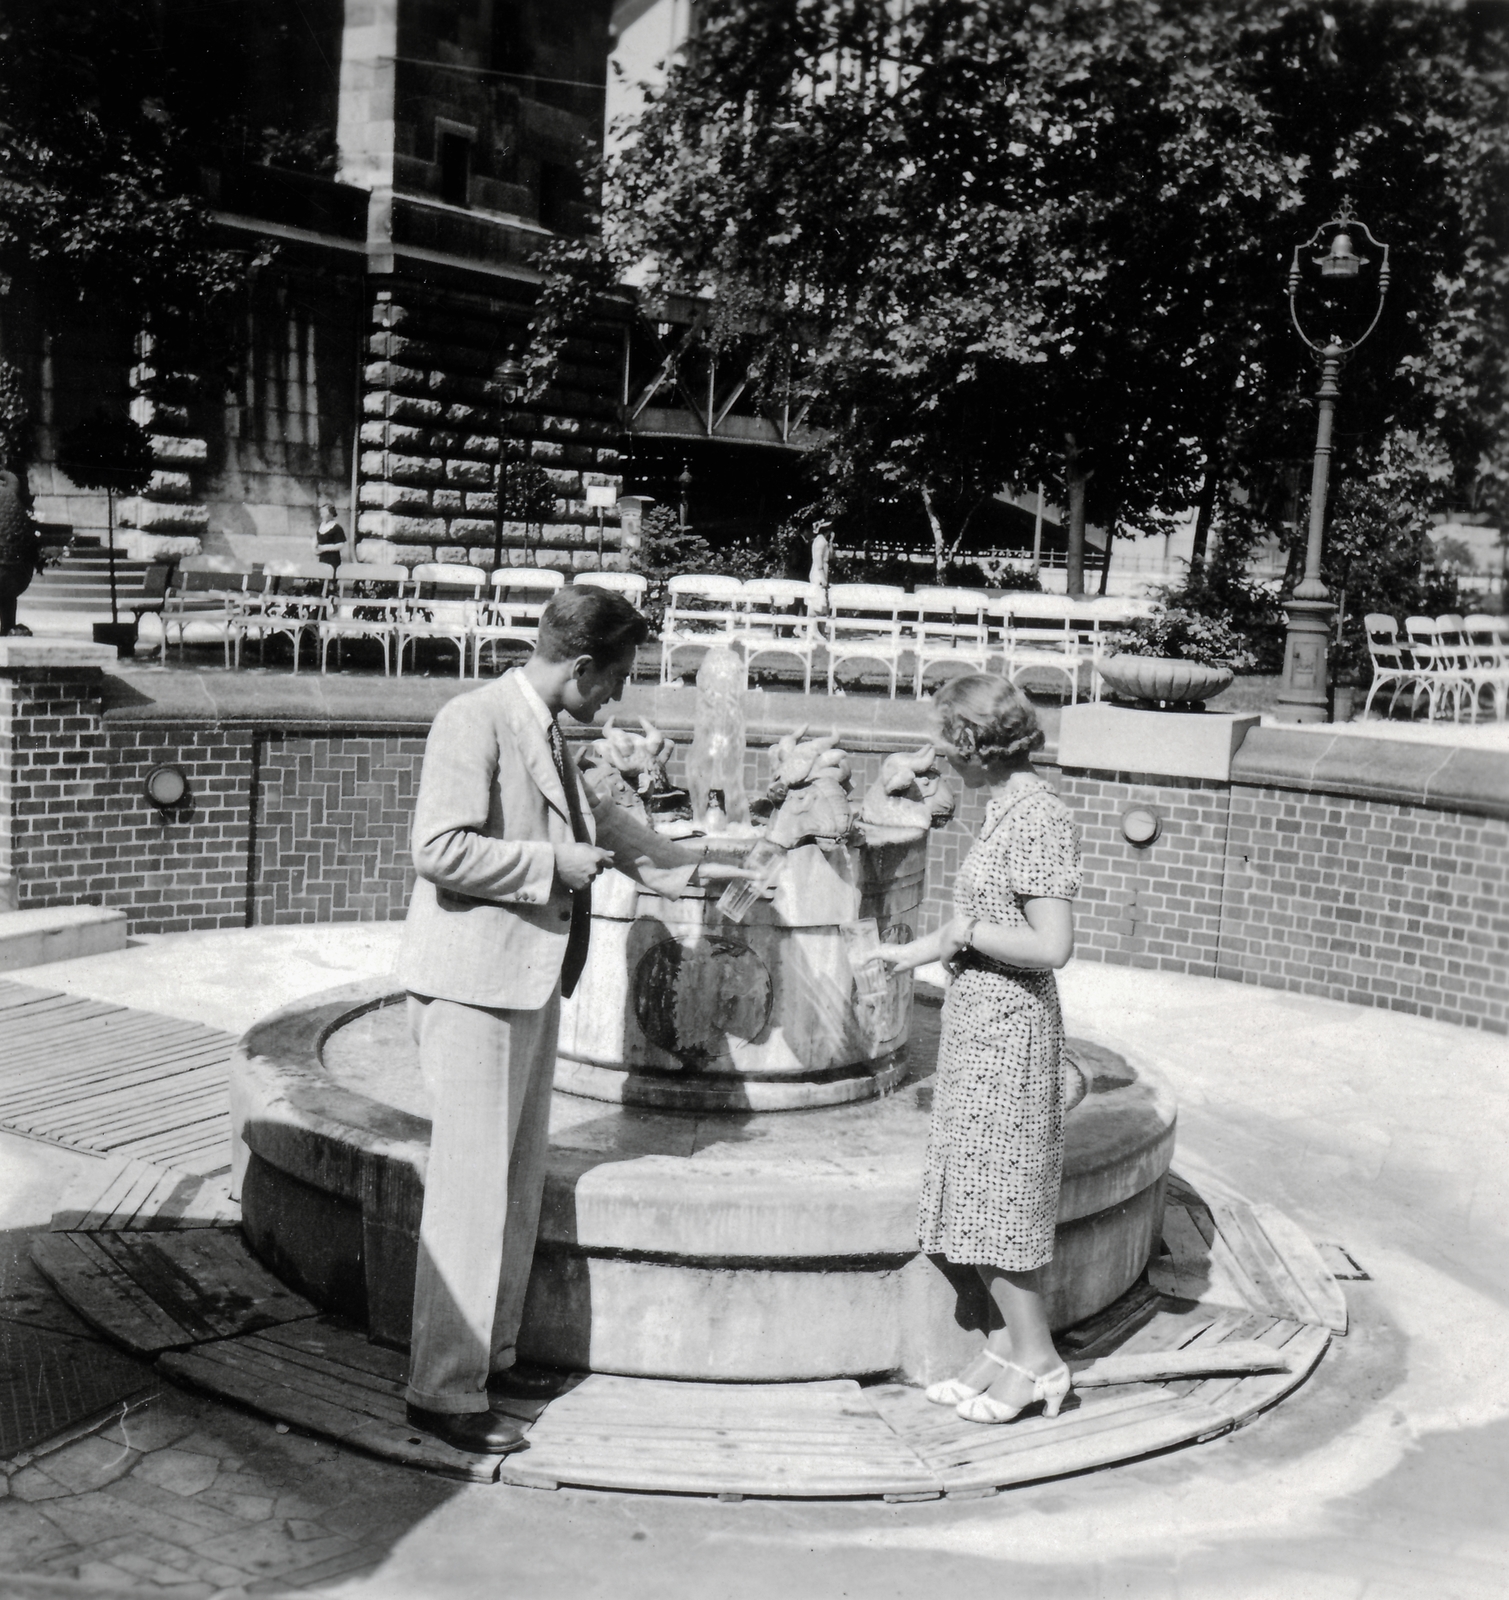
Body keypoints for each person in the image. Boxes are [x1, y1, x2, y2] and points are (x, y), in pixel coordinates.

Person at [397, 585, 745, 1454]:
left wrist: (705, 864)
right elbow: (437, 848)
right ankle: (441, 1390)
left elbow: (617, 827)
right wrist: (552, 863)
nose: (620, 697)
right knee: (470, 1198)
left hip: (524, 980)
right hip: (473, 986)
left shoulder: (554, 730)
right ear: (582, 664)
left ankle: (493, 1355)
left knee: (512, 1187)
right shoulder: (470, 720)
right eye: (617, 677)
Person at [879, 674, 1081, 1425]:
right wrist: (900, 957)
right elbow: (971, 919)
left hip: (1011, 1030)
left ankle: (1040, 1363)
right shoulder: (1002, 811)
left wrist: (964, 937)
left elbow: (1051, 945)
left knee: (1002, 1202)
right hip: (976, 1025)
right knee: (972, 1196)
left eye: (945, 738)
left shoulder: (1036, 819)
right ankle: (1002, 1350)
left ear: (971, 743)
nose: (937, 755)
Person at [0, 468, 41, 637]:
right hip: (14, 568)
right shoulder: (10, 497)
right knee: (8, 595)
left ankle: (9, 625)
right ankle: (8, 624)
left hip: (12, 564)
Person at [314, 500, 346, 574]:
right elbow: (316, 538)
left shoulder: (336, 527)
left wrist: (325, 548)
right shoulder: (321, 526)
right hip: (322, 558)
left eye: (324, 513)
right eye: (321, 513)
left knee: (330, 580)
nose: (322, 515)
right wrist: (315, 549)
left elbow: (341, 545)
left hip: (332, 559)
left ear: (331, 513)